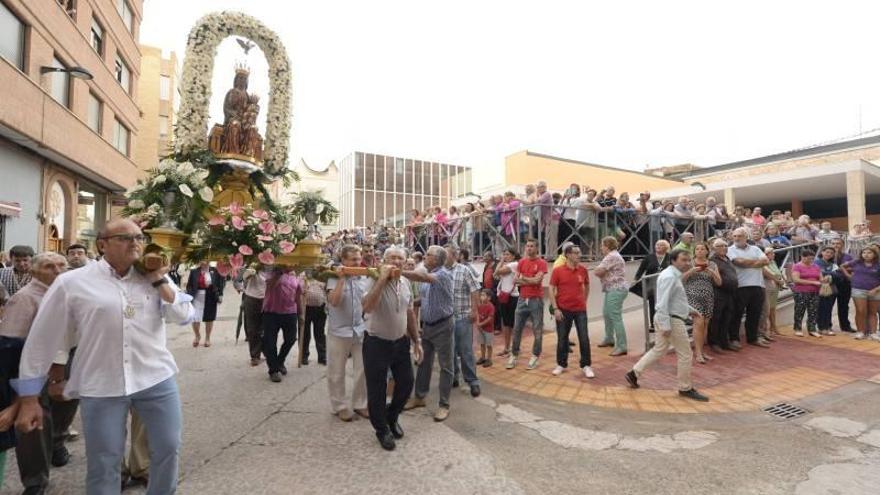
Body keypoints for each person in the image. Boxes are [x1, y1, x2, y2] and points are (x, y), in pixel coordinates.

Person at [12, 219, 194, 494]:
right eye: (124, 237)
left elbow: (184, 316)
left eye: (138, 237)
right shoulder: (72, 282)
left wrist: (159, 280)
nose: (134, 242)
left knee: (168, 447)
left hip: (155, 378)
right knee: (104, 460)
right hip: (101, 384)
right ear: (102, 244)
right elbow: (42, 339)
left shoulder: (154, 276)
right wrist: (28, 398)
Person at [0, 252, 67, 494]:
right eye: (50, 266)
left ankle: (57, 443)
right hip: (34, 367)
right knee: (34, 425)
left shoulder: (67, 293)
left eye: (61, 265)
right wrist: (19, 391)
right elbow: (11, 344)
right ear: (34, 271)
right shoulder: (25, 298)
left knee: (63, 410)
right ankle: (35, 481)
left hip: (65, 364)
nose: (57, 270)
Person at [625, 249, 709, 402]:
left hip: (670, 317)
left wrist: (690, 310)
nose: (687, 262)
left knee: (659, 349)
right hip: (671, 319)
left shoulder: (673, 276)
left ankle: (634, 373)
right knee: (685, 354)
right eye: (684, 259)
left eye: (688, 259)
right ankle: (685, 388)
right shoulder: (670, 277)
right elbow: (662, 302)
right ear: (673, 260)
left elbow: (675, 300)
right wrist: (665, 325)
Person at [361, 247, 422, 451]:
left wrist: (417, 340)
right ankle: (382, 430)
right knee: (377, 389)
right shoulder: (371, 279)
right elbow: (367, 307)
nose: (396, 262)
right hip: (376, 342)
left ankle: (392, 416)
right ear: (384, 260)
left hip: (400, 341)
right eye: (392, 258)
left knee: (406, 383)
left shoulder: (405, 282)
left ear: (405, 262)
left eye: (400, 258)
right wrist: (382, 279)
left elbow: (409, 312)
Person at [403, 245, 455, 422]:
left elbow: (421, 276)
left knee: (445, 366)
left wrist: (399, 272)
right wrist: (410, 304)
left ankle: (444, 405)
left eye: (428, 255)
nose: (425, 257)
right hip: (428, 326)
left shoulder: (443, 275)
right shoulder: (430, 276)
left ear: (438, 259)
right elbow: (424, 299)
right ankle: (419, 397)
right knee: (423, 362)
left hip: (443, 326)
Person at [549, 244, 594, 378]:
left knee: (584, 338)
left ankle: (586, 365)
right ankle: (561, 364)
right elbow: (551, 289)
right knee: (562, 338)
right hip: (563, 309)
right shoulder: (558, 270)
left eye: (579, 252)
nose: (579, 255)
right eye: (576, 253)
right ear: (568, 255)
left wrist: (584, 301)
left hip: (580, 310)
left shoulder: (583, 270)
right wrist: (555, 308)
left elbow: (587, 285)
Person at [506, 239, 548, 370]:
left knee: (537, 329)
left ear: (536, 248)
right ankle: (514, 354)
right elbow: (515, 281)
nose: (528, 248)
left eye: (531, 246)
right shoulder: (522, 262)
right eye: (527, 246)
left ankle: (535, 356)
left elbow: (537, 280)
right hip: (522, 299)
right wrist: (528, 280)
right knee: (517, 328)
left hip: (536, 300)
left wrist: (524, 278)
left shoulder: (542, 263)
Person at [446, 247, 482, 397]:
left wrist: (474, 311)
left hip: (462, 317)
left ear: (454, 256)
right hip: (446, 319)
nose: (442, 257)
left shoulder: (464, 270)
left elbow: (475, 290)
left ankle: (472, 381)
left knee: (465, 350)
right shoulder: (440, 271)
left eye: (445, 254)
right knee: (450, 351)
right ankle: (453, 377)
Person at [727, 228, 771, 349]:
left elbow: (766, 261)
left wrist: (749, 263)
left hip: (757, 285)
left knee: (755, 314)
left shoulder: (755, 248)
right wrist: (757, 262)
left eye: (739, 236)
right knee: (737, 314)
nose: (736, 238)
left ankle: (753, 338)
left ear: (746, 237)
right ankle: (734, 339)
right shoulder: (730, 250)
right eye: (734, 236)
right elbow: (739, 262)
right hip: (740, 286)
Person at [262, 266, 305, 382]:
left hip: (290, 313)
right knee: (270, 342)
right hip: (271, 313)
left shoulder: (297, 276)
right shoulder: (272, 272)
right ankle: (274, 370)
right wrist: (279, 273)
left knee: (291, 339)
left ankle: (279, 361)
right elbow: (269, 286)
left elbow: (298, 297)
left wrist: (301, 314)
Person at [683, 242, 721, 364]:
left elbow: (719, 282)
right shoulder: (689, 263)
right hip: (693, 295)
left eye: (702, 249)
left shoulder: (713, 264)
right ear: (694, 252)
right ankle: (698, 353)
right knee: (698, 323)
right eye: (697, 249)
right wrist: (691, 271)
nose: (699, 251)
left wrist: (712, 273)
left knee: (705, 324)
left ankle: (702, 351)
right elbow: (681, 279)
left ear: (707, 251)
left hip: (708, 296)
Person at [594, 237, 629, 356]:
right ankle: (609, 338)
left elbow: (598, 272)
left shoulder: (611, 256)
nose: (600, 247)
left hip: (616, 289)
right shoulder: (612, 256)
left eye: (602, 245)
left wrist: (596, 270)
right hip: (612, 289)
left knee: (615, 316)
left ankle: (622, 345)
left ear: (607, 246)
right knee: (607, 313)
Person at [840, 247, 880, 341]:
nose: (866, 254)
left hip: (875, 291)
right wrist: (849, 277)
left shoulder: (878, 264)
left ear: (874, 254)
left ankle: (873, 333)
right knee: (861, 311)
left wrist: (875, 290)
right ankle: (860, 332)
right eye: (864, 252)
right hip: (858, 290)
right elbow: (842, 266)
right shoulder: (857, 262)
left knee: (872, 312)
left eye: (869, 252)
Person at [633, 239, 671, 332]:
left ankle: (665, 322)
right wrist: (635, 280)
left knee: (665, 303)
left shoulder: (670, 257)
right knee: (652, 303)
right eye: (657, 245)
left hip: (666, 284)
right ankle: (653, 324)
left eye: (661, 245)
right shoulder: (649, 257)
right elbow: (641, 270)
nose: (658, 246)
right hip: (652, 285)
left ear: (666, 247)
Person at [185, 260, 225, 348]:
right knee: (195, 317)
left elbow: (221, 283)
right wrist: (189, 295)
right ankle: (197, 336)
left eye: (206, 260)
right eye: (202, 260)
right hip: (197, 295)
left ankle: (207, 338)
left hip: (210, 295)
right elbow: (189, 285)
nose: (204, 262)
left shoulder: (215, 270)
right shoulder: (194, 271)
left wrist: (220, 295)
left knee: (209, 317)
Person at [708, 239, 739, 353]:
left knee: (727, 318)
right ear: (714, 248)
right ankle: (714, 343)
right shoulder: (712, 261)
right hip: (718, 293)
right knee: (716, 318)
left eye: (726, 246)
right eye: (720, 246)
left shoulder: (727, 259)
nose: (724, 248)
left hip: (730, 293)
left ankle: (724, 342)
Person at [240, 265, 271, 366]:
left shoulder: (273, 268)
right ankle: (255, 356)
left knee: (267, 328)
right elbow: (242, 277)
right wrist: (250, 272)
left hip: (267, 300)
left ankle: (266, 351)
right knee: (252, 329)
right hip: (252, 299)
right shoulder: (252, 266)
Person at [791, 250, 822, 338]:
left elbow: (820, 277)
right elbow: (796, 280)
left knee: (813, 311)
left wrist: (824, 280)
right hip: (801, 292)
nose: (811, 260)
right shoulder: (797, 266)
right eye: (809, 258)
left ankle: (812, 329)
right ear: (803, 257)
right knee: (800, 310)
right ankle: (798, 329)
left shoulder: (816, 266)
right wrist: (812, 282)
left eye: (812, 258)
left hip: (815, 292)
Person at [494, 249, 520, 357]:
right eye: (504, 254)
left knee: (512, 324)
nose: (505, 256)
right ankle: (507, 348)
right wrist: (501, 262)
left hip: (512, 297)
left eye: (508, 254)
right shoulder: (507, 265)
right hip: (504, 296)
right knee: (506, 324)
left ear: (513, 256)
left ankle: (514, 348)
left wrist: (500, 261)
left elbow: (497, 272)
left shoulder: (514, 264)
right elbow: (495, 275)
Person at [760, 247, 786, 340]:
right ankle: (767, 330)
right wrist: (778, 280)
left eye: (773, 253)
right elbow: (769, 274)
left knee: (773, 308)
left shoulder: (773, 262)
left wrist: (782, 281)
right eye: (771, 253)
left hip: (775, 288)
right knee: (767, 310)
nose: (773, 255)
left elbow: (778, 273)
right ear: (765, 255)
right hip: (767, 287)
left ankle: (773, 327)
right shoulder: (764, 263)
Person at [302, 274, 327, 365]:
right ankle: (303, 356)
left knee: (320, 333)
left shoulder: (322, 275)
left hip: (320, 308)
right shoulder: (302, 275)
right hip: (305, 308)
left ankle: (322, 356)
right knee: (304, 333)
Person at [815, 246, 841, 337]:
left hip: (831, 290)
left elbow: (838, 276)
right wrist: (831, 274)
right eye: (827, 252)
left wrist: (828, 275)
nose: (829, 254)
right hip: (819, 289)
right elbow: (817, 273)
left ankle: (827, 326)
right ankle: (821, 327)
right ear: (822, 252)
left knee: (828, 309)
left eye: (831, 253)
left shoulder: (833, 264)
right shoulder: (816, 262)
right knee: (821, 308)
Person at [830, 238, 854, 333]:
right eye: (833, 243)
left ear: (842, 245)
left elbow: (853, 268)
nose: (836, 245)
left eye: (838, 243)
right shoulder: (826, 255)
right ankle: (827, 326)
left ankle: (845, 326)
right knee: (829, 305)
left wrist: (844, 270)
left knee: (844, 305)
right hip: (831, 283)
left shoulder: (848, 256)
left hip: (845, 283)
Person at [475, 290, 496, 367]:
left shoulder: (491, 307)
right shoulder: (480, 305)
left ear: (489, 298)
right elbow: (477, 313)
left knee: (489, 345)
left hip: (488, 330)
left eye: (483, 295)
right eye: (481, 295)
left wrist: (480, 324)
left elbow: (489, 318)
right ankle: (483, 357)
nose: (481, 297)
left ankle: (489, 359)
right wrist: (478, 323)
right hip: (481, 329)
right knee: (482, 343)